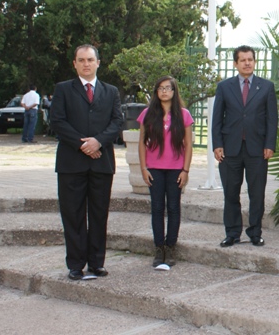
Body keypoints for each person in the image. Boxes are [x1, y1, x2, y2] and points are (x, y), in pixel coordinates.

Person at [50, 44, 124, 281]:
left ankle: (96, 263)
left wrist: (98, 142)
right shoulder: (63, 90)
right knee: (72, 214)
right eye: (81, 60)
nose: (86, 64)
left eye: (90, 60)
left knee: (99, 214)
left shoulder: (111, 91)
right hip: (71, 164)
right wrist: (84, 145)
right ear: (74, 63)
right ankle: (75, 264)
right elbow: (57, 122)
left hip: (101, 163)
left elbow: (117, 122)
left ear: (98, 62)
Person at [212, 45, 278, 247]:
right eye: (243, 60)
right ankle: (232, 233)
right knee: (230, 192)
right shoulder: (224, 87)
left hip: (257, 149)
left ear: (254, 62)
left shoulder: (266, 87)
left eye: (250, 59)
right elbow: (217, 118)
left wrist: (269, 144)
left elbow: (272, 119)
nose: (247, 63)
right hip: (230, 149)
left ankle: (255, 232)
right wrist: (217, 144)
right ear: (236, 63)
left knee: (256, 193)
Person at [137, 76, 194, 268]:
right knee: (157, 208)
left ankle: (171, 246)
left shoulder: (184, 115)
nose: (164, 91)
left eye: (168, 88)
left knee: (174, 208)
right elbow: (141, 143)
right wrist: (143, 168)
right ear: (156, 91)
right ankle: (159, 247)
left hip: (176, 169)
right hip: (154, 169)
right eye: (160, 88)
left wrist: (185, 170)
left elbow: (188, 145)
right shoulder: (147, 113)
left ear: (174, 91)